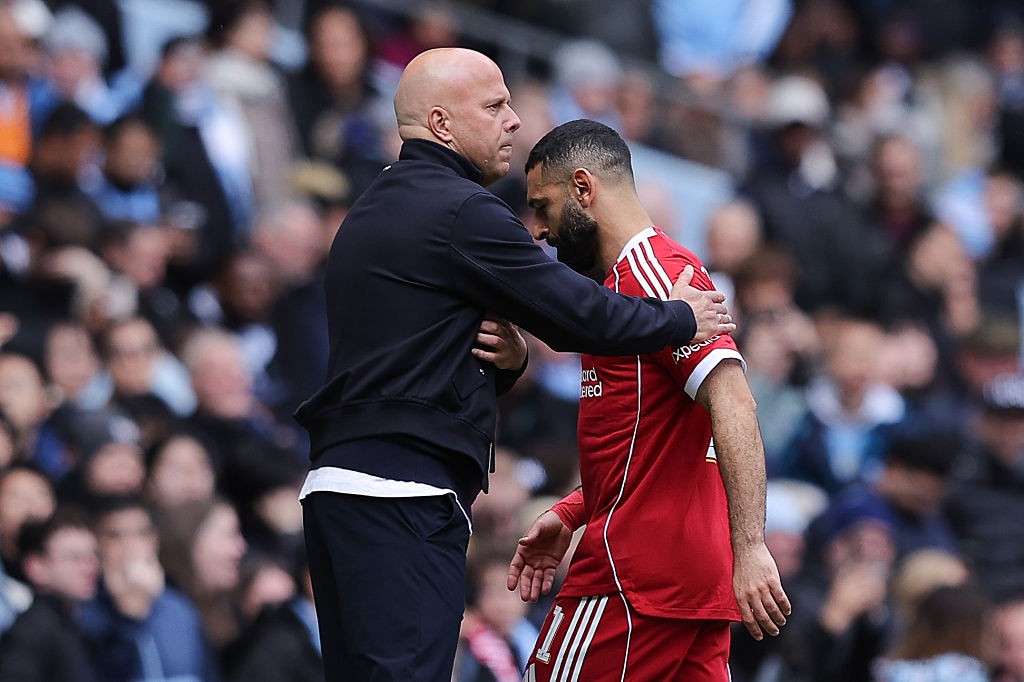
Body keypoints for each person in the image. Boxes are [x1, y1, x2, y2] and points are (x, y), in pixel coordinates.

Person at [295, 47, 735, 682]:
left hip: (339, 490)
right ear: (443, 124)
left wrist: (508, 361)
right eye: (495, 106)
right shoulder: (460, 211)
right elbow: (578, 314)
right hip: (403, 495)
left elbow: (412, 354)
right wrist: (681, 318)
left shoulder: (373, 208)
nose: (513, 121)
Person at [506, 119, 788, 681]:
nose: (538, 228)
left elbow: (734, 404)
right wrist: (571, 511)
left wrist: (753, 546)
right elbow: (653, 441)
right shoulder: (623, 293)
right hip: (685, 583)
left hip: (634, 578)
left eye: (542, 205)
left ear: (584, 189)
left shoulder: (653, 277)